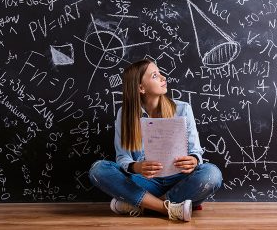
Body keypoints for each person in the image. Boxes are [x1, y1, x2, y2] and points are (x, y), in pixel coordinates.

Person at [89, 59, 223, 222]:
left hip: (180, 179)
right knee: (99, 169)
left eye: (160, 73)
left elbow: (196, 151)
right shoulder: (124, 114)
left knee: (212, 174)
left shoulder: (182, 108)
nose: (163, 77)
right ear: (141, 88)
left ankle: (140, 203)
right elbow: (122, 158)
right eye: (155, 75)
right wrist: (137, 167)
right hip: (145, 182)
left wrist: (193, 161)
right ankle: (170, 209)